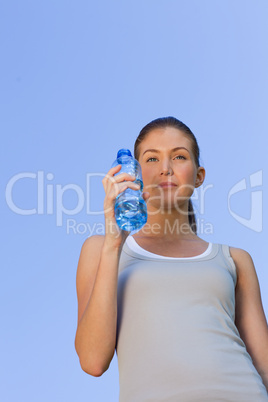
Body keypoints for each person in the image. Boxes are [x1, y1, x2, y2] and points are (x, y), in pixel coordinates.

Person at [75, 117, 268, 401]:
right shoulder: (102, 249)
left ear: (199, 175)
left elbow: (264, 365)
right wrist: (114, 242)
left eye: (179, 156)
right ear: (135, 174)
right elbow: (93, 361)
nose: (165, 169)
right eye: (152, 159)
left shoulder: (235, 259)